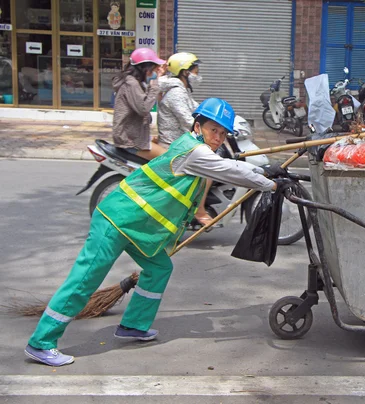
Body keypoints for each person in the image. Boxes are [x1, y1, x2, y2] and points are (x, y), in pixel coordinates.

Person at [24, 98, 288, 367]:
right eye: (213, 130)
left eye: (222, 133)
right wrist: (271, 185)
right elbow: (229, 170)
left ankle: (134, 325)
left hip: (137, 228)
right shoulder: (194, 152)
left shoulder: (197, 148)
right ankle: (41, 343)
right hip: (117, 220)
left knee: (159, 268)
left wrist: (264, 170)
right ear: (198, 126)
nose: (218, 137)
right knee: (84, 281)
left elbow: (235, 165)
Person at [156, 52, 215, 226]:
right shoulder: (176, 93)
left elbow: (197, 109)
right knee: (208, 172)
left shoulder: (182, 90)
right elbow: (188, 121)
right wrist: (209, 133)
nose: (197, 74)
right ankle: (200, 210)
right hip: (172, 144)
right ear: (184, 72)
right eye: (195, 70)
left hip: (181, 142)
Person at [112, 47, 167, 160]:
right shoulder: (131, 83)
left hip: (134, 136)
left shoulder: (134, 82)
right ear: (145, 68)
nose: (154, 73)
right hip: (130, 140)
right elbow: (143, 108)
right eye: (154, 70)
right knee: (167, 158)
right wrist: (155, 83)